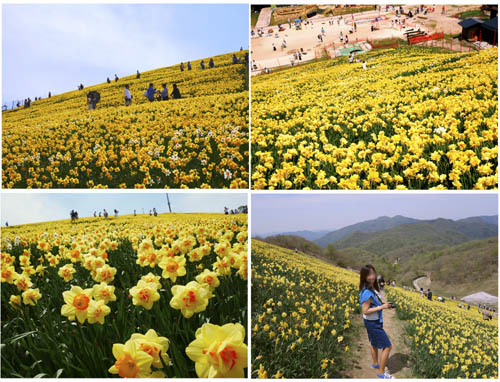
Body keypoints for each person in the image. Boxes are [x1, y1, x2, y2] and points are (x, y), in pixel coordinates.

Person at [359, 265, 393, 379]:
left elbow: (374, 303)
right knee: (387, 347)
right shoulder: (366, 292)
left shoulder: (372, 287)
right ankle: (381, 372)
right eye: (368, 275)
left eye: (373, 273)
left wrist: (384, 305)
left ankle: (375, 363)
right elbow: (365, 310)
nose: (372, 277)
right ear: (364, 276)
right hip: (372, 323)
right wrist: (382, 307)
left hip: (371, 321)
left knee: (373, 343)